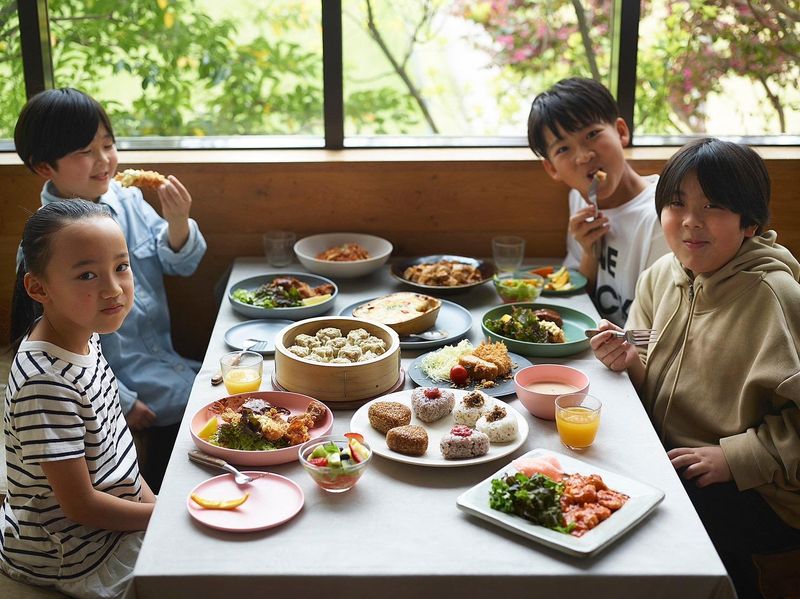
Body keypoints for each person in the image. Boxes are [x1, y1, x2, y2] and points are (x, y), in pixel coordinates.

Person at [590, 138, 800, 598]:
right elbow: (647, 363)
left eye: (714, 206)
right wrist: (630, 363)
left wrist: (735, 457)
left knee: (652, 524)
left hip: (767, 491)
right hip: (674, 454)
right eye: (677, 203)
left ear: (750, 223)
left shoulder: (774, 297)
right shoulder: (661, 275)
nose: (690, 221)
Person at [14, 88, 207, 492]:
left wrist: (178, 222)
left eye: (108, 144)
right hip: (129, 401)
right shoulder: (42, 248)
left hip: (172, 371)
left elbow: (182, 263)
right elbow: (48, 347)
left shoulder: (129, 200)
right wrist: (123, 402)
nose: (104, 160)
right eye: (85, 151)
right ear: (44, 166)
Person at [2, 200, 155, 598]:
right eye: (87, 274)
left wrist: (158, 505)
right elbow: (81, 506)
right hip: (76, 555)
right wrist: (166, 518)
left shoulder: (82, 333)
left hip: (112, 525)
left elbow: (118, 457)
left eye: (121, 267)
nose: (113, 288)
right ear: (39, 288)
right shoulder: (45, 383)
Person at [527, 77, 669, 325]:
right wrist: (589, 255)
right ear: (552, 169)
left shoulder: (661, 216)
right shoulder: (579, 200)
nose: (583, 156)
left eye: (592, 134)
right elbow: (575, 297)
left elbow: (662, 330)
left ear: (621, 132)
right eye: (563, 149)